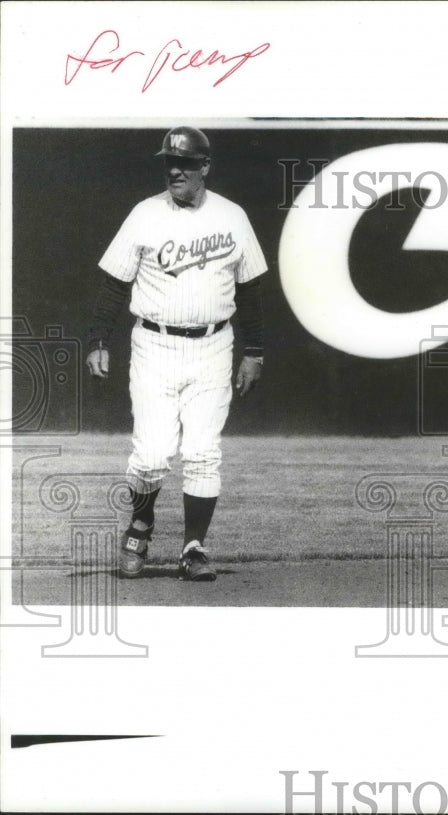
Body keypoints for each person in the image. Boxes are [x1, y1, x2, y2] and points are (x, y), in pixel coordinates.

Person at [86, 125, 267, 581]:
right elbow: (114, 283)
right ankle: (140, 528)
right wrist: (98, 340)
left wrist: (255, 350)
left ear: (205, 166)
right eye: (169, 162)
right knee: (151, 455)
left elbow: (249, 290)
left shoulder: (232, 216)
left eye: (184, 163)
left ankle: (194, 548)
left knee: (204, 452)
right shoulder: (145, 214)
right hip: (155, 344)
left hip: (213, 346)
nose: (174, 170)